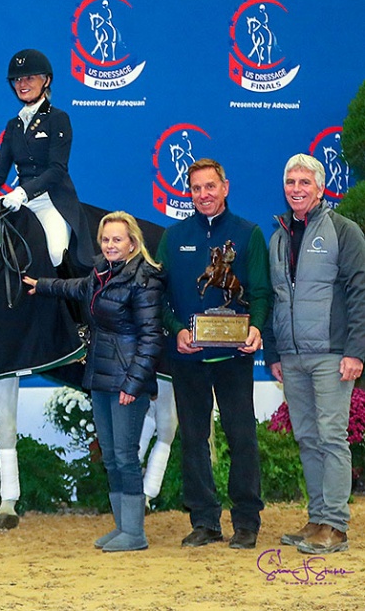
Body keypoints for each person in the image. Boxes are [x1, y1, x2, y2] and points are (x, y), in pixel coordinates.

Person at [23, 211, 164, 552]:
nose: (110, 245)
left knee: (126, 457)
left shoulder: (145, 279)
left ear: (133, 243)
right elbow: (74, 288)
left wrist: (133, 385)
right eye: (105, 239)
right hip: (99, 377)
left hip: (126, 382)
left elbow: (151, 338)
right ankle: (123, 527)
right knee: (112, 457)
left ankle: (135, 533)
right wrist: (40, 285)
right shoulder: (101, 272)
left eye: (117, 239)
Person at [156, 158, 271, 550]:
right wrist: (176, 332)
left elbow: (259, 292)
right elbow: (158, 298)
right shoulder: (172, 238)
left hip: (234, 358)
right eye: (196, 188)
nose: (203, 195)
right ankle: (204, 520)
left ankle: (246, 521)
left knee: (242, 438)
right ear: (188, 193)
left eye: (210, 187)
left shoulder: (248, 233)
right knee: (193, 438)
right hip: (187, 359)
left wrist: (255, 327)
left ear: (225, 187)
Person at [263, 153, 365, 554]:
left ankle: (336, 526)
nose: (297, 189)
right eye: (291, 182)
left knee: (331, 437)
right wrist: (274, 351)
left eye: (305, 182)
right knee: (307, 438)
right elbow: (273, 299)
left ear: (320, 188)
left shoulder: (345, 230)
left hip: (332, 353)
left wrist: (356, 350)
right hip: (292, 356)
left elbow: (359, 293)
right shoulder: (278, 236)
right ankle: (317, 518)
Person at [0, 48, 93, 273]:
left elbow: (57, 170)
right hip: (20, 200)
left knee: (56, 252)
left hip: (50, 199)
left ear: (46, 80)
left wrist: (23, 192)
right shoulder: (13, 125)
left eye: (29, 78)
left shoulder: (58, 119)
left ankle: (68, 305)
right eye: (17, 79)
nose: (22, 83)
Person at [138, 379, 178, 511]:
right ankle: (146, 493)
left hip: (149, 370)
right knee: (165, 437)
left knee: (147, 422)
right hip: (165, 373)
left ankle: (140, 491)